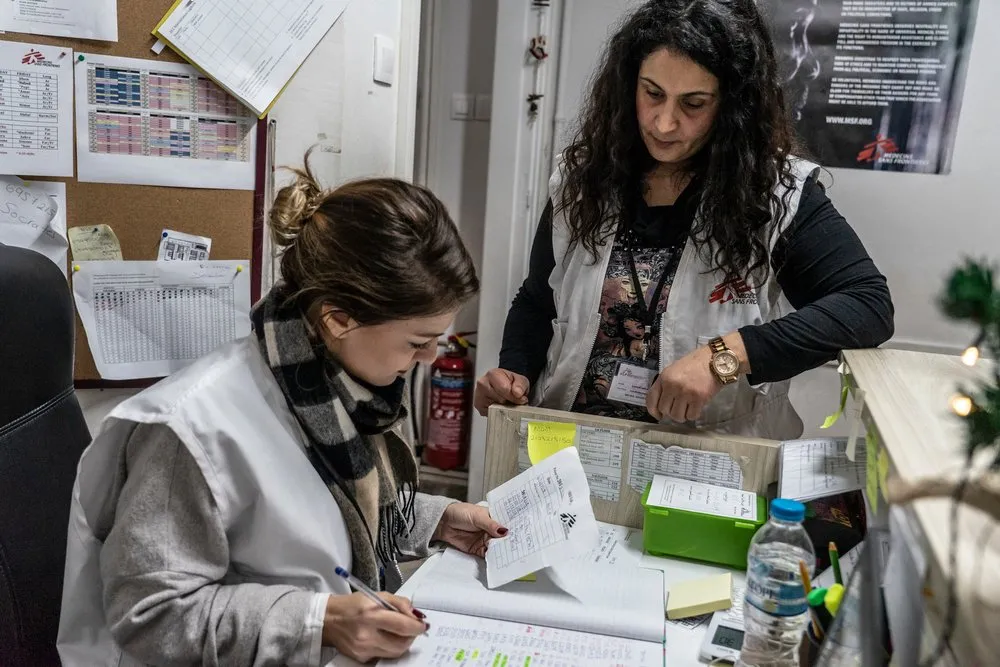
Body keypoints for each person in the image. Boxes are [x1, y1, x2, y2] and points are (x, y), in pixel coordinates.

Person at [58, 155, 508, 666]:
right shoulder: (191, 430)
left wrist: (436, 519)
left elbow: (328, 520)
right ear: (338, 319)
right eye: (417, 343)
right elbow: (152, 615)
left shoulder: (343, 392)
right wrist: (321, 622)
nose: (429, 358)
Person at [475, 0, 893, 440]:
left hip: (707, 455)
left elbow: (867, 306)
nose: (664, 122)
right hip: (571, 440)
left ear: (732, 107)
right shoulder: (584, 179)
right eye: (652, 93)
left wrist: (725, 356)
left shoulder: (775, 191)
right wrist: (515, 371)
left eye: (693, 103)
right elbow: (539, 300)